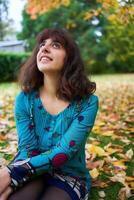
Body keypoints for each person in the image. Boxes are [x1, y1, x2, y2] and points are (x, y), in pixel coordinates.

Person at [0, 28, 99, 200]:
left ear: (70, 58)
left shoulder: (87, 102)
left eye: (55, 45)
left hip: (69, 175)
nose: (44, 49)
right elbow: (28, 149)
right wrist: (16, 177)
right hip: (30, 170)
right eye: (42, 45)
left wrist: (12, 173)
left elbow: (62, 153)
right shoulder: (24, 99)